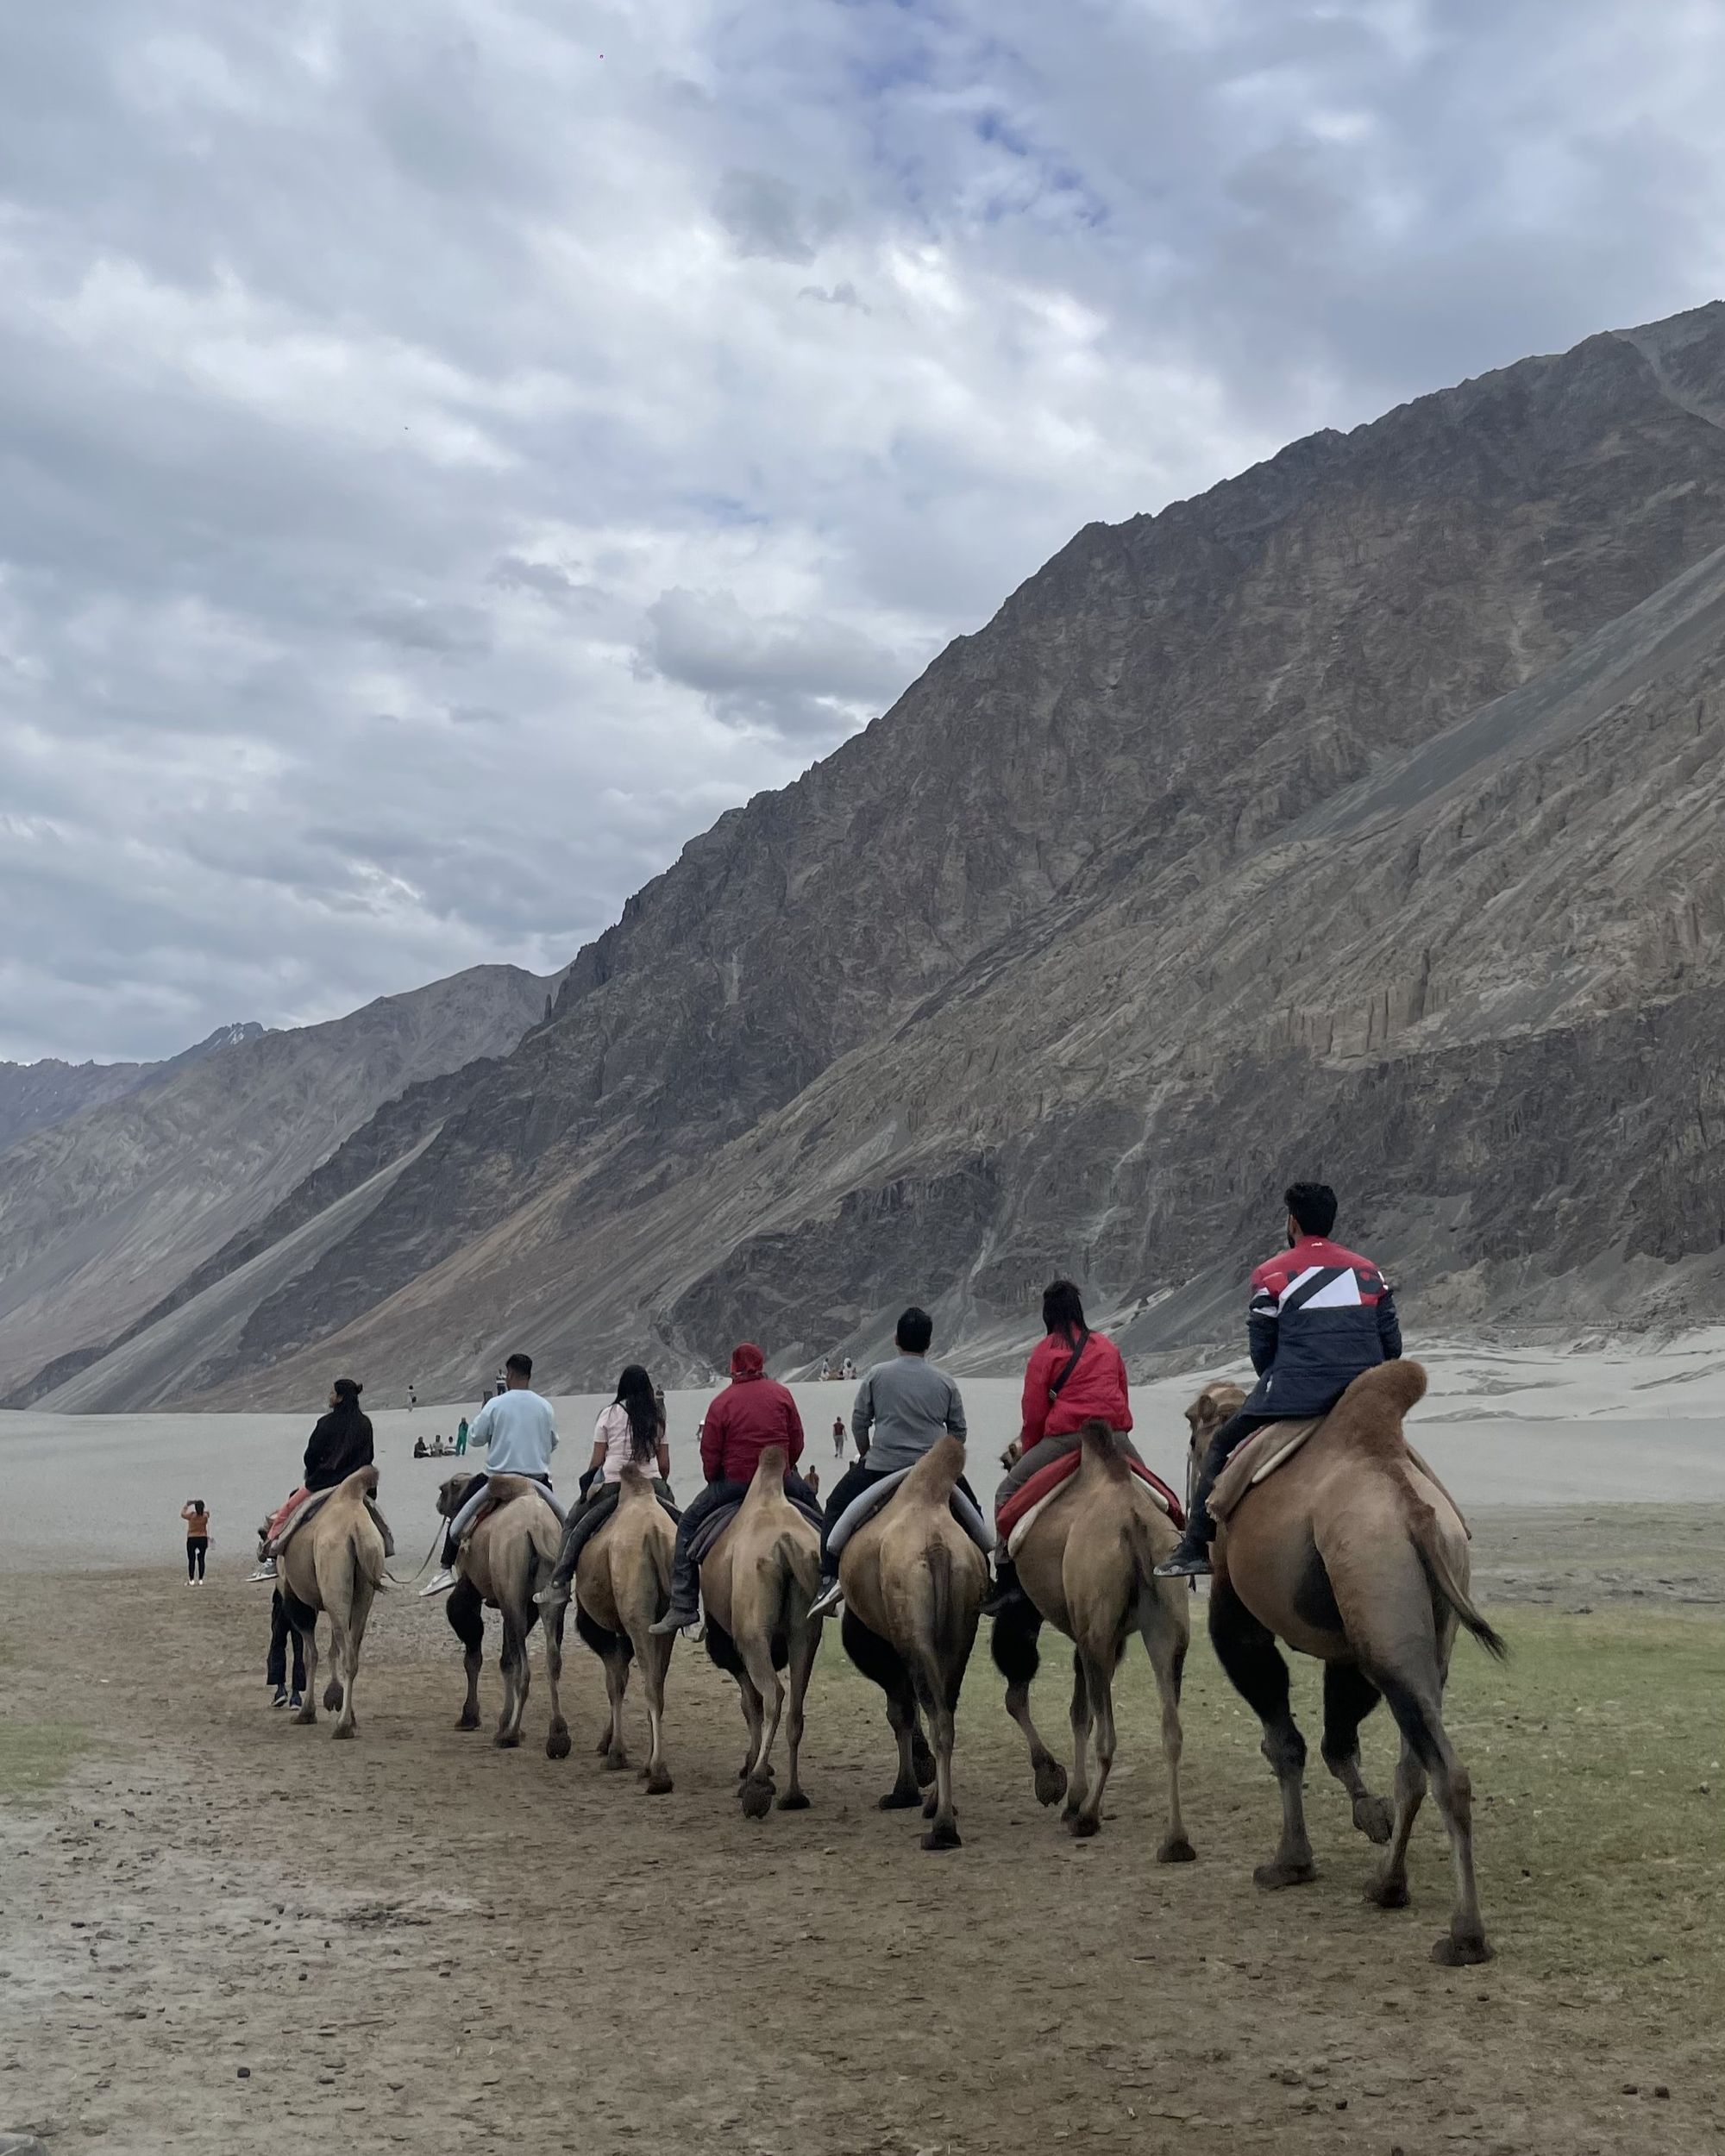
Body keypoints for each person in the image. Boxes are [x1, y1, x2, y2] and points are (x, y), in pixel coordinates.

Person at [1156, 1181, 1401, 1576]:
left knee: (1219, 1445)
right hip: (1361, 1396)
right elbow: (1393, 1345)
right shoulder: (1369, 1273)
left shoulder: (1272, 1274)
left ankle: (1195, 1546)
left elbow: (1262, 1350)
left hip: (1293, 1396)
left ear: (1292, 1221)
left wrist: (1284, 1380)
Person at [982, 1280, 1145, 1619]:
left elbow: (1034, 1412)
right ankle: (1178, 1544)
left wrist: (1030, 1451)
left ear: (1048, 1313)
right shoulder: (1107, 1346)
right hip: (1114, 1436)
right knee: (1156, 1493)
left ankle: (1006, 1578)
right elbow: (1122, 1395)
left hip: (1067, 1437)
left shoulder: (1046, 1351)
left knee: (1006, 1493)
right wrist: (1119, 1434)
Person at [809, 1307, 972, 1619]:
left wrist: (867, 1452)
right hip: (931, 1469)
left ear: (896, 1339)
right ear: (929, 1343)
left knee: (835, 1505)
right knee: (972, 1516)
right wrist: (938, 1460)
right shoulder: (946, 1382)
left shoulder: (877, 1375)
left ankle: (829, 1578)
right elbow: (959, 1431)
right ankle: (984, 1574)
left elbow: (859, 1422)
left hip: (881, 1466)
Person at [650, 1343, 811, 1633]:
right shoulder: (782, 1394)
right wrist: (784, 1469)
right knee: (816, 1513)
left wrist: (714, 1479)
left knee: (687, 1525)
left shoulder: (721, 1403)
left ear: (733, 1368)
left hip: (734, 1484)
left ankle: (684, 1605)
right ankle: (828, 1579)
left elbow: (710, 1452)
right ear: (761, 1363)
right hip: (779, 1479)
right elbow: (797, 1440)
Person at [537, 1365, 676, 1615]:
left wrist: (588, 1484)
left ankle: (560, 1581)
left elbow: (597, 1460)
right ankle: (687, 1591)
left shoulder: (609, 1414)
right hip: (652, 1483)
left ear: (622, 1387)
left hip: (614, 1483)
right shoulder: (657, 1416)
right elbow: (664, 1464)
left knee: (573, 1524)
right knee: (683, 1526)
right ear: (647, 1388)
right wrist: (660, 1485)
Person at [421, 1352, 561, 1596]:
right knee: (564, 1523)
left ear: (511, 1375)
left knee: (457, 1523)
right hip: (538, 1481)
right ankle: (562, 1575)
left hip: (498, 1480)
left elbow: (475, 1438)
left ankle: (444, 1569)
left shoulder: (496, 1404)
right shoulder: (545, 1406)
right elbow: (553, 1442)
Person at [250, 1377, 376, 1580]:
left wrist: (319, 1471)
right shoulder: (365, 1424)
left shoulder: (326, 1423)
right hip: (356, 1487)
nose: (330, 1396)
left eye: (333, 1393)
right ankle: (383, 1550)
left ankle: (271, 1557)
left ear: (341, 1398)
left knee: (286, 1512)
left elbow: (310, 1456)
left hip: (324, 1483)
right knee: (376, 1519)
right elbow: (369, 1457)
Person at [267, 1584, 306, 1708]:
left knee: (277, 1644)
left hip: (282, 1597)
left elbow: (264, 1563)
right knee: (300, 1649)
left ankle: (280, 1689)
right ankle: (296, 1695)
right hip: (301, 1599)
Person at [181, 1499, 210, 1585]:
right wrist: (200, 1504)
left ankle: (191, 1580)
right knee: (201, 1559)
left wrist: (187, 1505)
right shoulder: (205, 1516)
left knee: (191, 1560)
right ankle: (201, 1579)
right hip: (202, 1538)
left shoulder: (191, 1516)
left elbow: (182, 1514)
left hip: (192, 1538)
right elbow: (207, 1512)